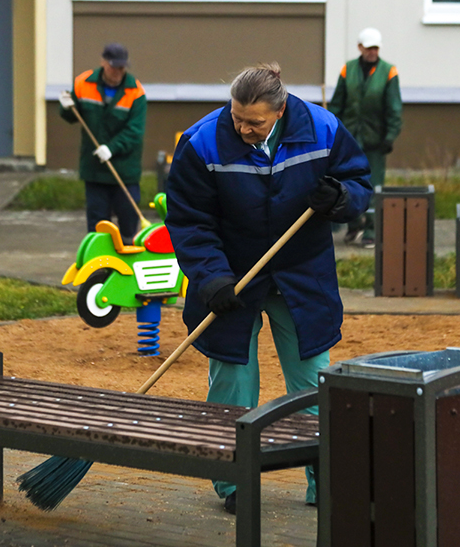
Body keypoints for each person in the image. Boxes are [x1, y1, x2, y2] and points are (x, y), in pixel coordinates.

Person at [165, 63, 372, 515]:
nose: (242, 128)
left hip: (303, 274)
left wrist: (341, 198)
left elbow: (359, 181)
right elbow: (189, 220)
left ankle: (324, 478)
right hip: (231, 276)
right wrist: (210, 276)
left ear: (280, 111)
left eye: (254, 122)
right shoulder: (202, 142)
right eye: (237, 116)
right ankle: (234, 480)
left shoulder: (322, 128)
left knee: (312, 378)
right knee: (233, 379)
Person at [58, 43, 147, 244]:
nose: (118, 72)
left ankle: (128, 267)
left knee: (128, 220)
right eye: (114, 66)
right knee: (97, 225)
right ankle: (99, 268)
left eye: (122, 67)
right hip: (95, 170)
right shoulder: (83, 83)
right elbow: (73, 116)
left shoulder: (135, 92)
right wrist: (65, 106)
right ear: (103, 62)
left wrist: (112, 148)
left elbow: (135, 131)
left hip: (125, 171)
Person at [328, 27, 403, 247]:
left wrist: (389, 136)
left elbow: (394, 108)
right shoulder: (347, 70)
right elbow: (336, 104)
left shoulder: (389, 72)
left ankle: (371, 230)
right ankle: (353, 227)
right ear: (360, 47)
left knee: (374, 185)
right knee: (347, 182)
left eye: (376, 48)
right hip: (349, 139)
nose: (372, 52)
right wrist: (332, 131)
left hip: (375, 141)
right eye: (369, 47)